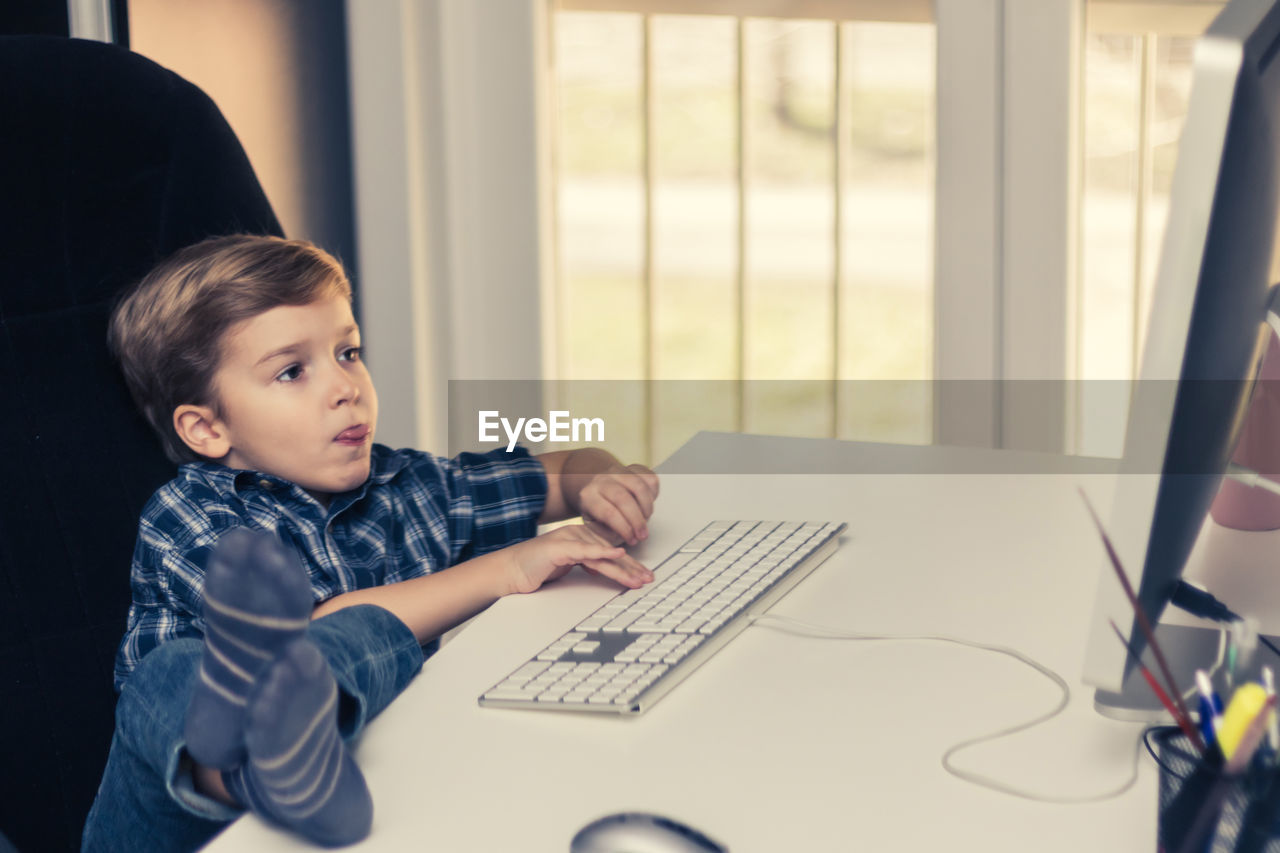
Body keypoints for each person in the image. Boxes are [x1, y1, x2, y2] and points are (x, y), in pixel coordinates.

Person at [81, 234, 659, 851]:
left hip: (374, 796)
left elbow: (556, 473)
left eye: (348, 352)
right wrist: (506, 569)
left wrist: (599, 479)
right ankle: (252, 767)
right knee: (171, 676)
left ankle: (290, 764)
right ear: (207, 428)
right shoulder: (191, 516)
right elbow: (318, 635)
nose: (344, 386)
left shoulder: (403, 486)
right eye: (292, 371)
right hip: (182, 833)